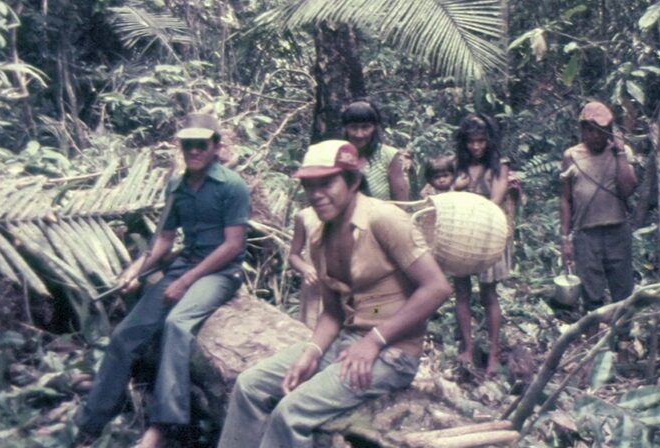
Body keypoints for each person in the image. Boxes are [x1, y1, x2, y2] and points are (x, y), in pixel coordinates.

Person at [217, 139, 451, 448]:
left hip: (393, 354)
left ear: (353, 181)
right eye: (309, 186)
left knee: (290, 413)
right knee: (250, 385)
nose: (317, 194)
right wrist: (311, 353)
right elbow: (333, 312)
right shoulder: (318, 233)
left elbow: (437, 288)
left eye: (327, 183)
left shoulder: (384, 219)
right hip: (345, 341)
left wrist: (373, 341)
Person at [74, 113, 250, 448]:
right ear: (180, 146)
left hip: (222, 272)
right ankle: (91, 421)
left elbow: (232, 246)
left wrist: (186, 282)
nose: (194, 150)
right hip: (184, 264)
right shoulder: (177, 186)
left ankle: (164, 425)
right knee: (127, 334)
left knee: (177, 325)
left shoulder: (231, 186)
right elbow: (164, 241)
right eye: (188, 144)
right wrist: (134, 270)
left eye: (202, 144)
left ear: (215, 147)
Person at [560, 101, 638, 314]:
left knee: (622, 289)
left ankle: (623, 339)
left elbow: (629, 188)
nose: (594, 136)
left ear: (609, 132)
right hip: (586, 234)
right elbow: (565, 199)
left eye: (600, 131)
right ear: (582, 130)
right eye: (589, 131)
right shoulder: (571, 156)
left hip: (617, 231)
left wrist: (620, 152)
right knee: (590, 291)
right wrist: (565, 238)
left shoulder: (620, 153)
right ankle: (593, 338)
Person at [452, 113, 514, 375]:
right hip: (461, 236)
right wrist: (456, 187)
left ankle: (493, 353)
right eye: (471, 142)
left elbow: (496, 200)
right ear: (464, 142)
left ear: (489, 140)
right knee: (462, 293)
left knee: (488, 294)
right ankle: (467, 349)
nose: (476, 147)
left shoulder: (499, 166)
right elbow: (444, 196)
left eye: (481, 141)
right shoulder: (457, 166)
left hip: (488, 235)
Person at [341, 99, 410, 200]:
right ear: (345, 128)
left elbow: (401, 203)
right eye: (353, 127)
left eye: (365, 127)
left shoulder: (388, 155)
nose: (359, 134)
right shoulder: (335, 155)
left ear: (375, 128)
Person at [288, 206, 322, 328]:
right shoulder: (305, 216)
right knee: (311, 332)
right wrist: (306, 269)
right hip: (314, 289)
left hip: (344, 291)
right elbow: (293, 255)